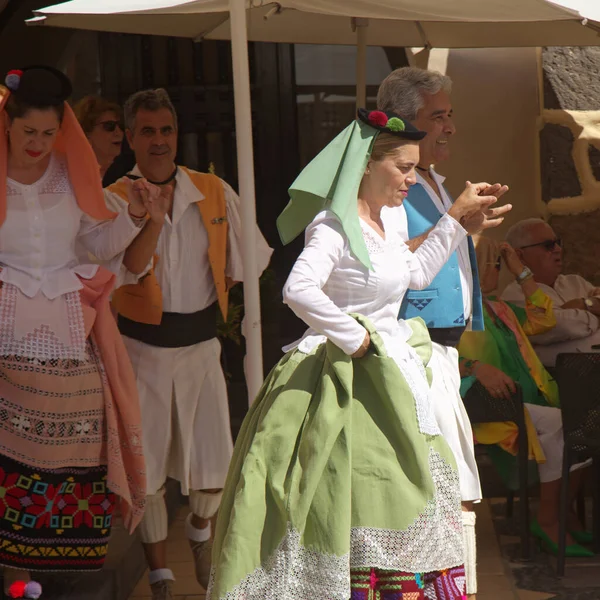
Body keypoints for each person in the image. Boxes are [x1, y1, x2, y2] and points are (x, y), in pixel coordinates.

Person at [207, 108, 506, 600]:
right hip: (341, 374)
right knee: (346, 490)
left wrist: (455, 222)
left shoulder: (388, 218)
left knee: (404, 488)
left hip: (394, 372)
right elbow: (298, 289)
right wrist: (355, 337)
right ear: (367, 164)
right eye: (403, 168)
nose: (412, 178)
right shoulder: (334, 224)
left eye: (414, 168)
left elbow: (414, 274)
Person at [103, 88, 273, 600]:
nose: (159, 140)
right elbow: (119, 272)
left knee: (212, 464)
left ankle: (199, 531)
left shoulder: (214, 191)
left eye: (167, 130)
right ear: (131, 137)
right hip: (140, 351)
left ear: (177, 134)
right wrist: (148, 219)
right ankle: (159, 574)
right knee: (148, 469)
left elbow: (251, 261)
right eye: (148, 131)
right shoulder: (113, 197)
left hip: (200, 346)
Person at [0, 67, 154, 598]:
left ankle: (45, 569)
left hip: (68, 330)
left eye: (48, 134)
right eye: (28, 134)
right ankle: (13, 579)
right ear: (8, 126)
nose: (39, 144)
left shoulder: (70, 175)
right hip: (5, 330)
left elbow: (98, 239)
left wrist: (134, 216)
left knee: (77, 446)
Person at [377, 66, 512, 597]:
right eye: (439, 117)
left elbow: (440, 255)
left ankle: (455, 588)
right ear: (405, 124)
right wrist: (454, 220)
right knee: (443, 483)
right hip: (413, 348)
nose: (450, 128)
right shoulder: (391, 187)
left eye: (450, 115)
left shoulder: (430, 182)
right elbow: (388, 262)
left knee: (455, 483)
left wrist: (467, 227)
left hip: (441, 352)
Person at [459, 236, 592, 557]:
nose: (496, 273)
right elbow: (432, 351)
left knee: (585, 428)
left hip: (531, 400)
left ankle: (561, 515)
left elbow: (543, 319)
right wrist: (475, 368)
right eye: (493, 266)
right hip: (491, 409)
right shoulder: (458, 310)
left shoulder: (499, 308)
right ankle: (548, 519)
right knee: (566, 425)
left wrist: (521, 272)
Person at [502, 218, 600, 367]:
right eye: (548, 245)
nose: (558, 249)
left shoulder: (575, 282)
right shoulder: (514, 295)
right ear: (520, 256)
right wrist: (596, 313)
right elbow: (559, 326)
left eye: (558, 243)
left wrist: (584, 304)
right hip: (564, 381)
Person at [73, 95, 124, 184]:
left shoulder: (124, 174)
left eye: (120, 125)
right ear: (86, 133)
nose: (118, 132)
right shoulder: (74, 176)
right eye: (109, 126)